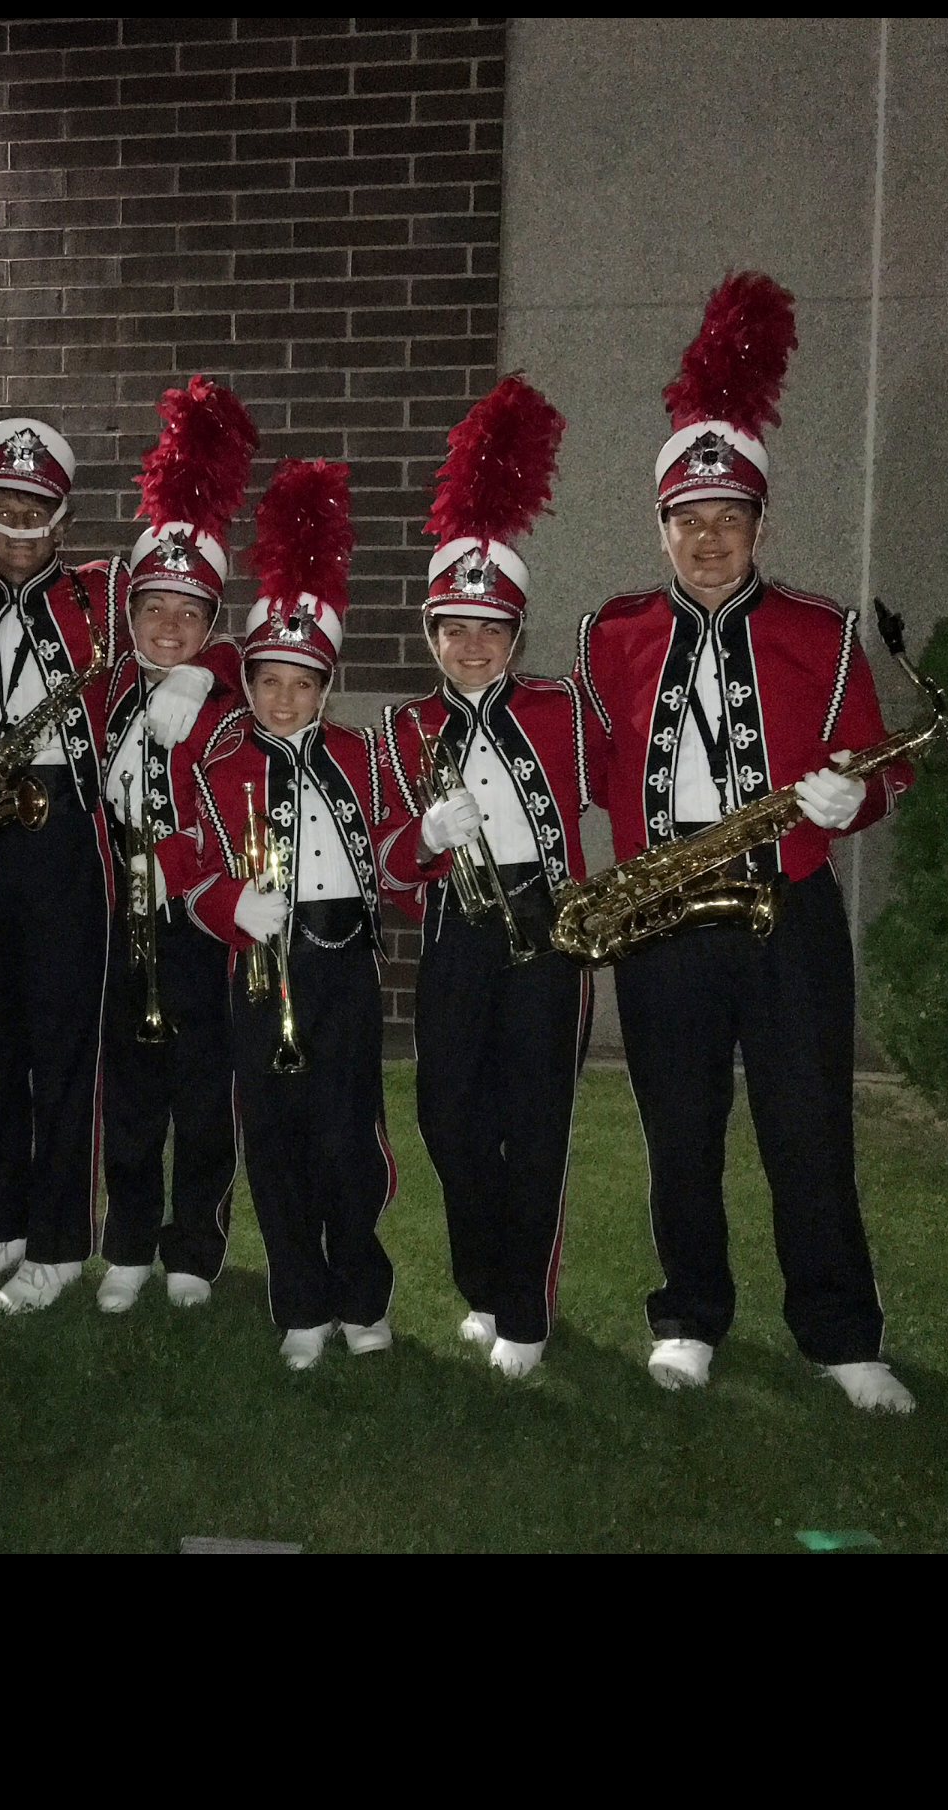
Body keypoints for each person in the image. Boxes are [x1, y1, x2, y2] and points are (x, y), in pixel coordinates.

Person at [577, 272, 916, 1412]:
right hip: (663, 910)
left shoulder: (824, 629)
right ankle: (688, 1313)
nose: (710, 538)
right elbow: (586, 761)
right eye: (690, 519)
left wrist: (853, 801)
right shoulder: (612, 633)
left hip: (789, 907)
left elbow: (884, 763)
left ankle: (841, 1332)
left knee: (808, 1127)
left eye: (730, 518)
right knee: (679, 1130)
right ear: (662, 526)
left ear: (760, 525)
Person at [381, 378, 595, 1379]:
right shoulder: (405, 727)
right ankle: (484, 1282)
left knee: (534, 1122)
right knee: (446, 1113)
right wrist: (425, 835)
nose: (473, 647)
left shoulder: (561, 707)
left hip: (547, 924)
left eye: (492, 629)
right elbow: (388, 860)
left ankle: (525, 1312)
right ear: (432, 633)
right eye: (455, 628)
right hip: (455, 932)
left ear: (516, 635)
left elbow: (625, 786)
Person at [189, 458, 422, 1370]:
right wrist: (229, 903)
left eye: (302, 682)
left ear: (326, 686)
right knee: (277, 1140)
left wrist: (426, 834)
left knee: (348, 1139)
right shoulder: (219, 769)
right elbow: (181, 863)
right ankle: (299, 1302)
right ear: (247, 681)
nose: (284, 699)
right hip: (261, 972)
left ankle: (361, 1293)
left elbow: (394, 864)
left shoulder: (362, 757)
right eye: (269, 680)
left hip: (345, 970)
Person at [0, 419, 128, 1314]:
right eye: (3, 511)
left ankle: (58, 1243)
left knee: (64, 1044)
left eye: (36, 511)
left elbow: (189, 606)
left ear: (63, 519)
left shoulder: (103, 591)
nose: (19, 528)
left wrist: (197, 674)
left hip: (65, 831)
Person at [94, 376, 256, 1315]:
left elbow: (272, 663)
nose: (169, 628)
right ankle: (126, 1239)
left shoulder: (226, 694)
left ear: (210, 626)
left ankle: (195, 1242)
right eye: (155, 609)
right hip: (121, 921)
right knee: (128, 1090)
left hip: (198, 926)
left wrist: (213, 672)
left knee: (203, 1091)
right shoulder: (103, 690)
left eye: (190, 616)